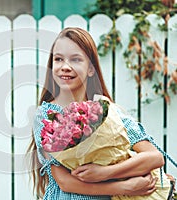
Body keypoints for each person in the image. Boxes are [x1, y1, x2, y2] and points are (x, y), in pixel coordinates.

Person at [27, 27, 166, 200]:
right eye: (58, 59)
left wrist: (105, 172)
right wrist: (125, 187)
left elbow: (154, 157)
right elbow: (64, 181)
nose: (65, 67)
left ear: (91, 69)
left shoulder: (107, 112)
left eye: (76, 59)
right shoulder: (47, 116)